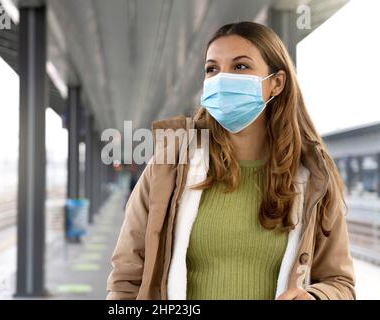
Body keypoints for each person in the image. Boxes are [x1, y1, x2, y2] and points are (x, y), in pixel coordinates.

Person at [106, 22, 355, 300]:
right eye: (212, 69)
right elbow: (126, 279)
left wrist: (317, 297)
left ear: (276, 83)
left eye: (240, 67)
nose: (221, 79)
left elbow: (340, 282)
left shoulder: (314, 177)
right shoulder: (168, 166)